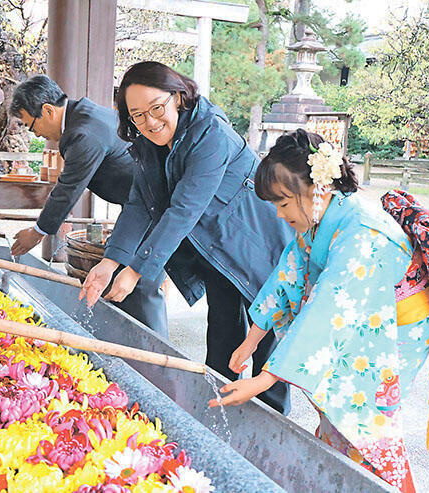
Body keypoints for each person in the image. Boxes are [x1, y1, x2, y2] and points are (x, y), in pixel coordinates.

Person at [211, 129, 429, 492]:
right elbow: (290, 274)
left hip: (396, 328)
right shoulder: (322, 216)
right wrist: (252, 339)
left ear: (316, 189)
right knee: (335, 412)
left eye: (283, 203)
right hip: (362, 315)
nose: (281, 215)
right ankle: (336, 473)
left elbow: (329, 307)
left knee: (363, 418)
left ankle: (378, 481)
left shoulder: (363, 230)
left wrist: (265, 378)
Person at [79, 61, 294, 414]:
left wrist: (136, 270)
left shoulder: (212, 134)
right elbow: (139, 203)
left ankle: (271, 421)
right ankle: (220, 412)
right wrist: (109, 261)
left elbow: (183, 209)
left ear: (178, 97)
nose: (150, 121)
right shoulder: (149, 142)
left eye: (156, 108)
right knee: (224, 327)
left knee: (270, 328)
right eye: (137, 115)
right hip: (215, 246)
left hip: (256, 237)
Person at [8, 75, 167, 337]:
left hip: (151, 211)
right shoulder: (84, 114)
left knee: (141, 284)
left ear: (48, 110)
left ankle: (154, 352)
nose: (34, 133)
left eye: (30, 125)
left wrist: (37, 232)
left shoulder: (83, 132)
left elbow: (68, 189)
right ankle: (129, 342)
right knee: (126, 281)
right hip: (138, 208)